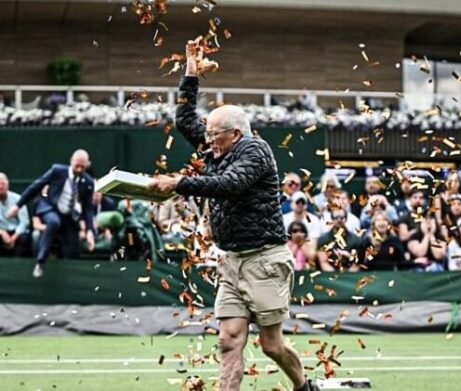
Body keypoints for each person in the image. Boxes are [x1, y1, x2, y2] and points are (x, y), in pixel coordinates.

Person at [147, 41, 318, 391]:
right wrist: (191, 72)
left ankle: (303, 387)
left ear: (235, 134)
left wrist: (178, 182)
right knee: (228, 339)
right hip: (231, 260)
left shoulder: (255, 151)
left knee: (271, 345)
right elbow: (183, 119)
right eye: (207, 133)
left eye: (213, 134)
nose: (206, 139)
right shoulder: (217, 144)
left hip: (265, 260)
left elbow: (229, 184)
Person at [6, 150, 96, 277]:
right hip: (50, 208)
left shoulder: (88, 182)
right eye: (77, 166)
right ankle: (40, 262)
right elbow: (36, 186)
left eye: (83, 166)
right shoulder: (57, 171)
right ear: (71, 161)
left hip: (69, 217)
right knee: (54, 222)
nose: (80, 169)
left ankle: (71, 275)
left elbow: (88, 209)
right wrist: (18, 205)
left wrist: (90, 231)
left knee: (73, 246)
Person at [315, 208, 362, 272]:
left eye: (342, 217)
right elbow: (324, 263)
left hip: (351, 275)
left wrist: (349, 256)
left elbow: (357, 264)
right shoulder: (323, 239)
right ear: (331, 219)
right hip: (329, 274)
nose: (339, 220)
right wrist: (336, 276)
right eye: (336, 217)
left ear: (346, 219)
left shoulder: (356, 240)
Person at [0, 173, 30, 256]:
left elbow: (24, 222)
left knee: (24, 238)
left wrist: (13, 237)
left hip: (16, 231)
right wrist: (2, 232)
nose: (1, 187)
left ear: (8, 185)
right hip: (1, 231)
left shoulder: (18, 199)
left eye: (3, 184)